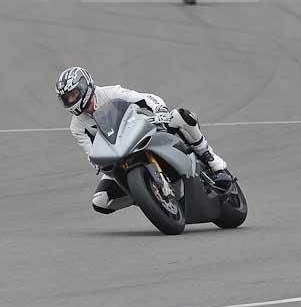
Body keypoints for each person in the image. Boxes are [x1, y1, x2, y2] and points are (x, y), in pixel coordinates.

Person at [55, 66, 230, 215]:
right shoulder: (76, 127)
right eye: (67, 98)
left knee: (180, 116)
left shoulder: (110, 93)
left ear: (85, 86)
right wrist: (98, 163)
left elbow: (144, 98)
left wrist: (159, 110)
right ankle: (146, 195)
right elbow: (91, 153)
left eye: (73, 94)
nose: (71, 100)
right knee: (101, 201)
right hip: (117, 156)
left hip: (141, 131)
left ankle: (213, 161)